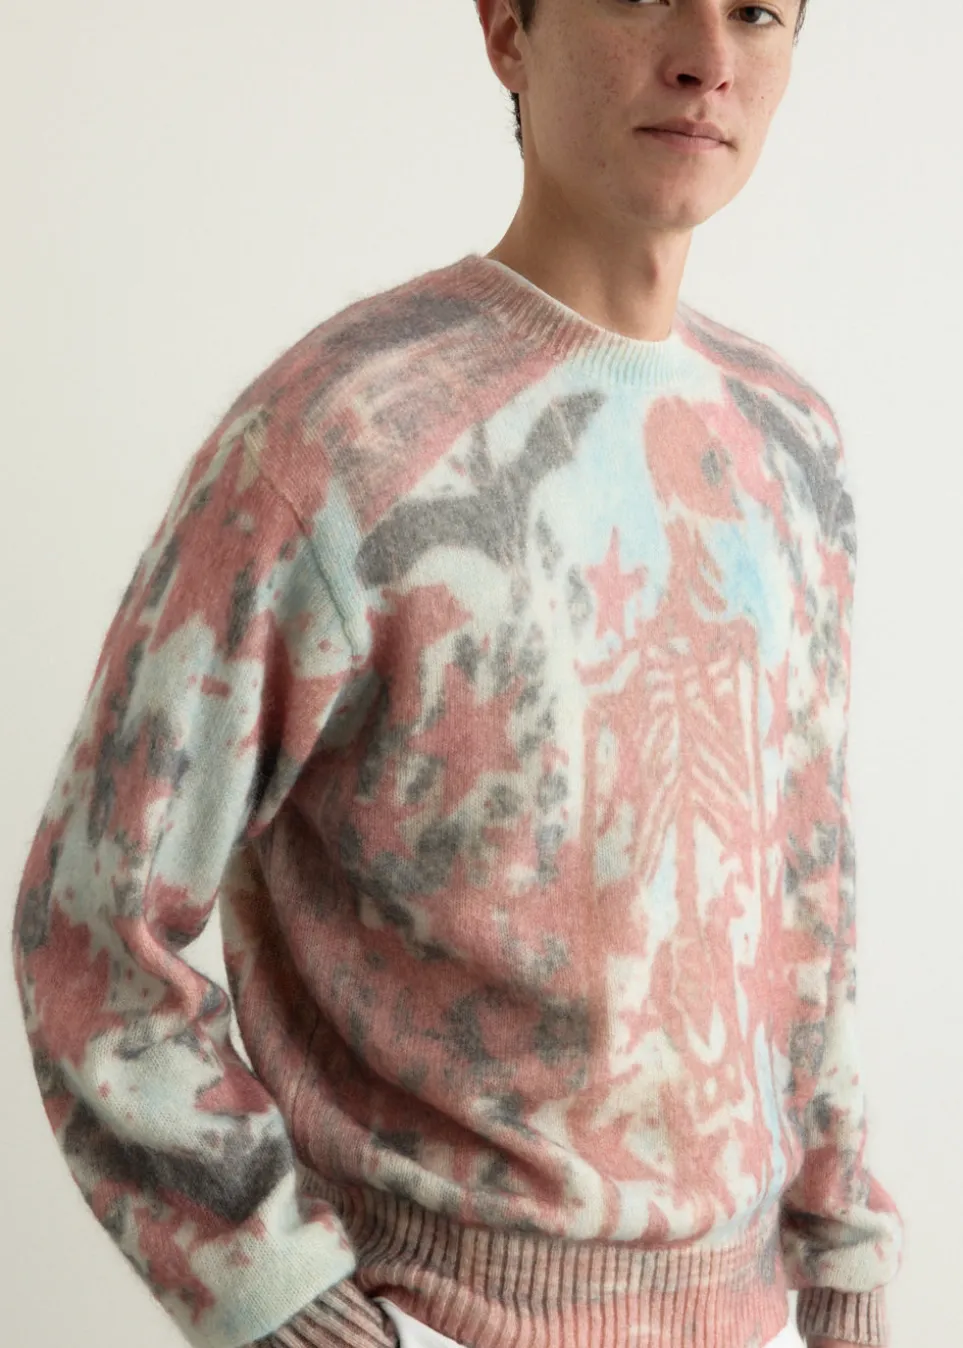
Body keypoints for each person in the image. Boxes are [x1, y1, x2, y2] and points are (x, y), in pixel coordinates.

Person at [9, 1, 904, 1346]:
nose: (707, 58)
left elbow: (803, 897)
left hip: (752, 1313)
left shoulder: (791, 443)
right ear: (506, 30)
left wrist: (842, 1256)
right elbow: (89, 924)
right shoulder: (336, 438)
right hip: (432, 1313)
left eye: (757, 12)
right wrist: (283, 1297)